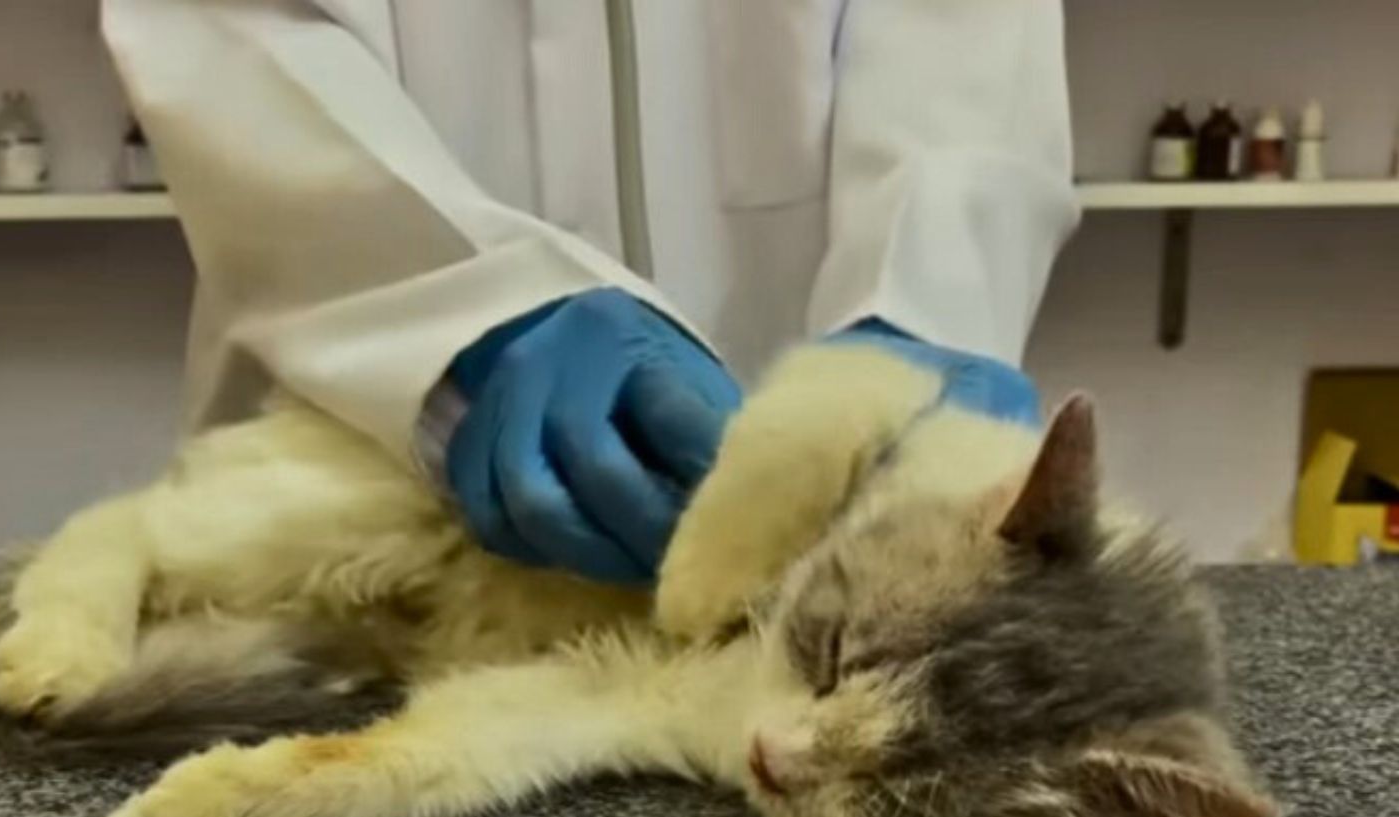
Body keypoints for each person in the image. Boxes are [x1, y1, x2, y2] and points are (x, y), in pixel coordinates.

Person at [103, 0, 1079, 584]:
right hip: (363, 465)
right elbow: (228, 37)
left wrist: (924, 289)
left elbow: (963, 32)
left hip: (801, 560)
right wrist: (469, 309)